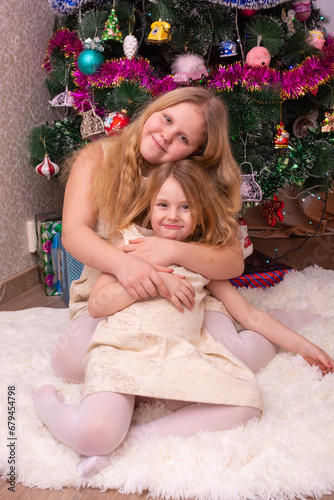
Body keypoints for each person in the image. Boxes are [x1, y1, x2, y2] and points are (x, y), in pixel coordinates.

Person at [34, 161, 334, 478]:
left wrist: (303, 346)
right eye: (163, 205)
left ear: (200, 213)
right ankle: (44, 402)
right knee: (93, 437)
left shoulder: (201, 257)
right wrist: (156, 282)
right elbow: (98, 304)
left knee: (246, 404)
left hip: (177, 355)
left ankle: (133, 440)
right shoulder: (132, 243)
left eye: (186, 207)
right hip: (122, 350)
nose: (173, 215)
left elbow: (248, 314)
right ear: (149, 208)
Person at [51, 86, 246, 384]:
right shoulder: (97, 158)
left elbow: (233, 262)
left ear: (195, 151)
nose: (167, 135)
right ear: (153, 109)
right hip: (112, 294)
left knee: (226, 356)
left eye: (183, 137)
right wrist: (125, 265)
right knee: (76, 365)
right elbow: (74, 234)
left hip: (180, 298)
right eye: (167, 119)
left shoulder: (193, 181)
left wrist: (173, 252)